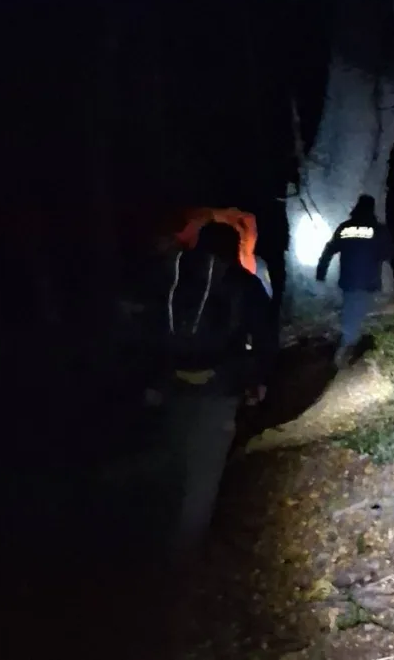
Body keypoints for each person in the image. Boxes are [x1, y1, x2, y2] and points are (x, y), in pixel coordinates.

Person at [148, 221, 277, 557]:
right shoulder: (243, 283)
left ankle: (155, 542)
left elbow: (145, 328)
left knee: (175, 458)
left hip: (172, 382)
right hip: (220, 384)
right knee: (204, 472)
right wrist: (257, 380)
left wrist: (150, 380)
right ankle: (185, 555)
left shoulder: (169, 277)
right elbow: (264, 336)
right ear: (234, 246)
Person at [315, 195, 394, 368]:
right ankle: (345, 352)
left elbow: (329, 250)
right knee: (355, 315)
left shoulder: (345, 227)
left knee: (351, 310)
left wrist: (321, 272)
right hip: (367, 280)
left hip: (348, 279)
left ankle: (349, 345)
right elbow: (388, 253)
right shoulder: (378, 229)